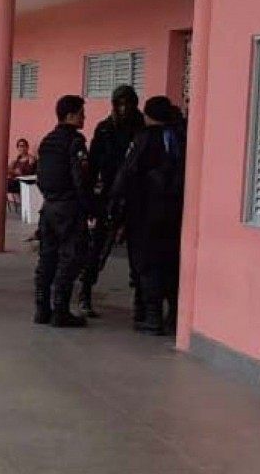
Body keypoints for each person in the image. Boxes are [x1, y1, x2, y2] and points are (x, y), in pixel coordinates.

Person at [111, 96, 186, 335]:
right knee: (171, 263)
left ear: (148, 115)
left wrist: (115, 202)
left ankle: (152, 316)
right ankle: (174, 315)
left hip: (146, 211)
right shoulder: (181, 136)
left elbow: (128, 172)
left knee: (146, 264)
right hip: (176, 213)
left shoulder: (145, 138)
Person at [78, 84, 145, 319]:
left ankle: (141, 304)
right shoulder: (105, 129)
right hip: (109, 196)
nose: (124, 108)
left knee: (140, 254)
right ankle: (85, 293)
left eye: (128, 103)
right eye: (120, 103)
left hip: (138, 197)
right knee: (97, 249)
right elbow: (93, 166)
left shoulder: (142, 129)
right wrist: (90, 201)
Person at [33, 95, 92, 328]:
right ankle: (60, 311)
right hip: (69, 209)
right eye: (81, 114)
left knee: (47, 258)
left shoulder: (47, 140)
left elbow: (41, 176)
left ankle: (41, 309)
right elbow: (81, 179)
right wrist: (90, 207)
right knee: (70, 258)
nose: (84, 118)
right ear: (70, 116)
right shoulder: (75, 141)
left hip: (48, 207)